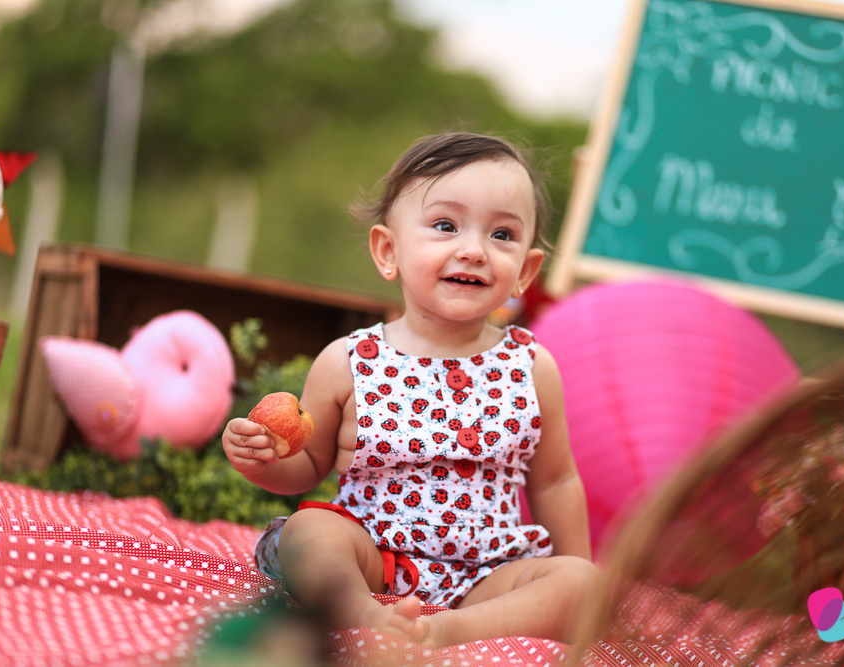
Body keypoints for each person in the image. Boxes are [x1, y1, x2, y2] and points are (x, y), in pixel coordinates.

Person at [222, 132, 598, 648]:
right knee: (311, 534)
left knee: (582, 582)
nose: (474, 250)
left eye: (502, 234)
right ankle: (361, 612)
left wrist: (575, 573)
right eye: (446, 226)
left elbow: (554, 482)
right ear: (388, 251)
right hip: (372, 556)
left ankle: (448, 629)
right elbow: (307, 464)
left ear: (525, 273)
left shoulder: (531, 367)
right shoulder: (348, 361)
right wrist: (262, 461)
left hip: (490, 574)